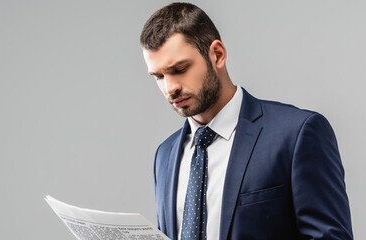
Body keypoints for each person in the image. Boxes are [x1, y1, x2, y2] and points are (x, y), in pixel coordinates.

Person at [140, 3, 352, 240]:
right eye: (158, 76)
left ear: (217, 55)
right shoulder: (164, 155)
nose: (170, 88)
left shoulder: (297, 134)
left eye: (180, 69)